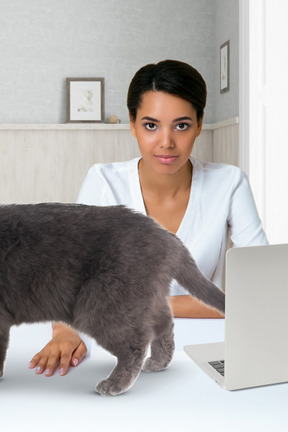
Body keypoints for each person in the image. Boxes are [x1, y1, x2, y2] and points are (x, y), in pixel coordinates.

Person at [29, 59, 267, 378]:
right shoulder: (104, 182)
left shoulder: (230, 183)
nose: (166, 142)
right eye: (151, 125)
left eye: (181, 125)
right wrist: (64, 332)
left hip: (205, 348)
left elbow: (260, 291)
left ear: (199, 124)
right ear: (132, 123)